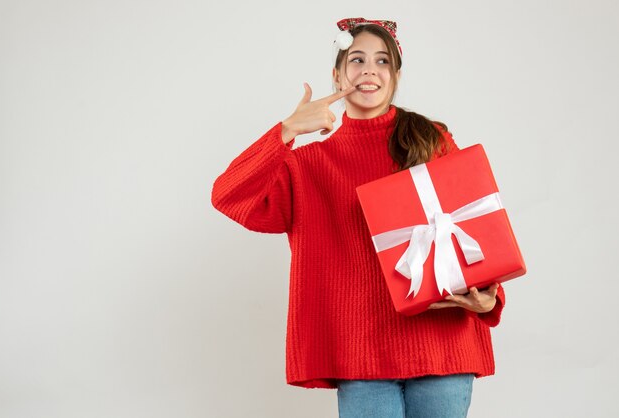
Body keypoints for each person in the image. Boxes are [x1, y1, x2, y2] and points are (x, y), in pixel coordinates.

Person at [211, 17, 505, 418]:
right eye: (357, 59)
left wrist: (489, 297)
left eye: (383, 61)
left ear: (396, 76)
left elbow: (474, 223)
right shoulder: (309, 166)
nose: (369, 70)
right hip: (361, 356)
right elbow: (229, 195)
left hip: (442, 346)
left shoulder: (430, 139)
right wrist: (287, 130)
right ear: (337, 75)